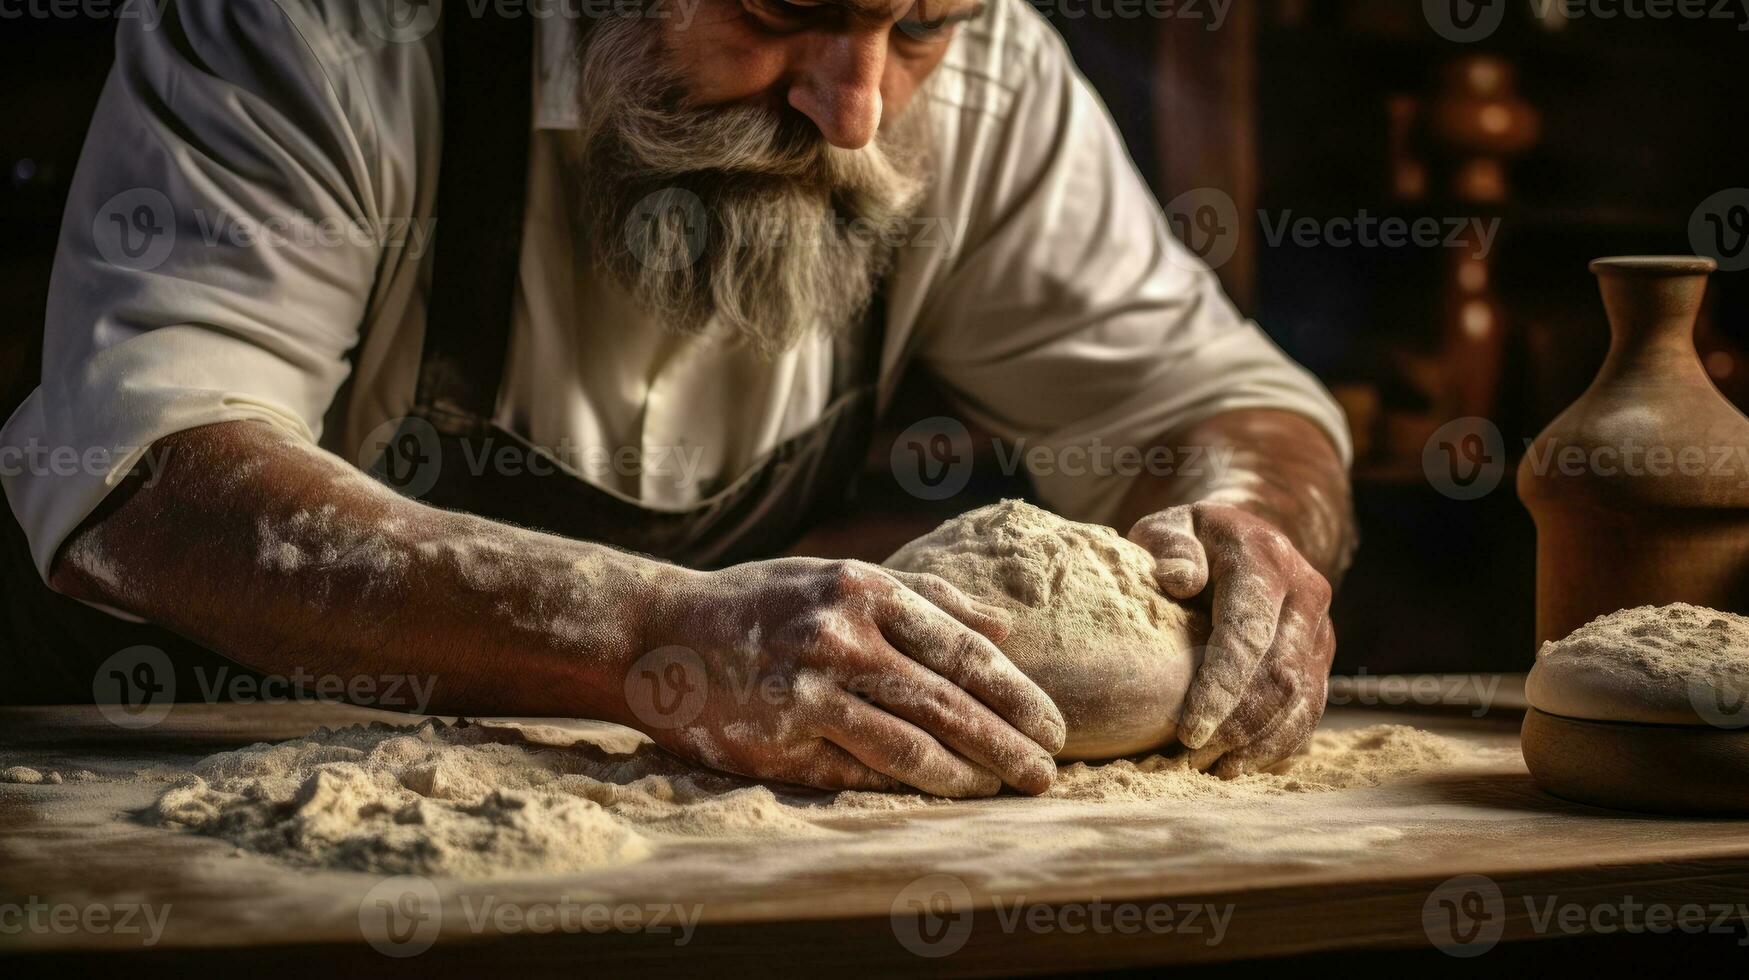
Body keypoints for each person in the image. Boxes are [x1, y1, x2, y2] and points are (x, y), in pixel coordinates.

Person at [0, 0, 1355, 798]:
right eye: (775, 13)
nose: (855, 109)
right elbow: (148, 472)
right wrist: (653, 631)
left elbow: (1211, 395)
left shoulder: (985, 61)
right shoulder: (322, 33)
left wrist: (1244, 508)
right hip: (220, 804)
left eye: (920, 29)